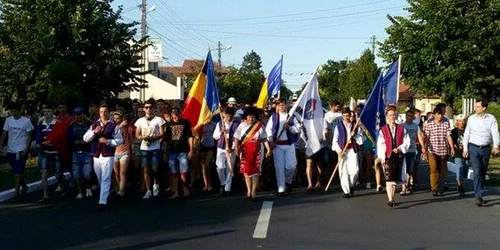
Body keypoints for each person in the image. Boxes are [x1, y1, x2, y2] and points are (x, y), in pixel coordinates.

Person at [83, 104, 123, 210]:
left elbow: (119, 140)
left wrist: (108, 141)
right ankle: (106, 192)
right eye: (101, 112)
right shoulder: (94, 125)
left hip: (108, 154)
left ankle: (102, 201)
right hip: (96, 154)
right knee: (99, 176)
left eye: (105, 111)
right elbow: (86, 138)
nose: (103, 114)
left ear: (108, 112)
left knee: (106, 177)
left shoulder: (113, 126)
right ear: (99, 113)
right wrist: (94, 132)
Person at [462, 99, 500, 206]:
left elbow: (495, 133)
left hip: (485, 148)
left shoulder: (491, 118)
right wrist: (465, 149)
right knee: (477, 171)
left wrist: (496, 145)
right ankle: (478, 196)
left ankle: (480, 191)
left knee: (483, 172)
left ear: (484, 108)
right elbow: (467, 134)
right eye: (475, 106)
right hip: (473, 147)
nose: (475, 108)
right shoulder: (471, 118)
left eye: (478, 107)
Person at [234, 107, 272, 201]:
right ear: (246, 117)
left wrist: (268, 149)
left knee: (255, 172)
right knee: (246, 172)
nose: (251, 119)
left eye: (253, 117)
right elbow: (236, 138)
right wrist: (236, 148)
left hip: (257, 151)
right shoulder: (241, 126)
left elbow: (264, 139)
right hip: (245, 151)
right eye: (249, 117)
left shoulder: (260, 126)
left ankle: (254, 192)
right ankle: (248, 191)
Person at [265, 98, 301, 196]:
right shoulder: (273, 117)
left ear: (286, 105)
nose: (281, 106)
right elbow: (268, 130)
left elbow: (297, 129)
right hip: (277, 145)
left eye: (283, 105)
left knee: (291, 166)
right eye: (279, 105)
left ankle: (288, 182)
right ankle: (281, 188)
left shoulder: (291, 117)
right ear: (277, 106)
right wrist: (271, 140)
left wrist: (289, 127)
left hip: (289, 145)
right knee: (279, 167)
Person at [377, 106, 410, 207]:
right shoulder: (383, 129)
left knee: (394, 179)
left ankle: (393, 198)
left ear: (396, 115)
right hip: (387, 156)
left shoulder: (401, 128)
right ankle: (390, 199)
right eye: (390, 115)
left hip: (399, 156)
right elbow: (381, 144)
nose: (392, 117)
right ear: (387, 116)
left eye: (393, 115)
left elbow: (407, 141)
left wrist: (400, 148)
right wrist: (382, 157)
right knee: (388, 179)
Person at [0, 105, 34, 202]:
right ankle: (24, 186)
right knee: (15, 171)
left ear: (20, 111)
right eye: (13, 111)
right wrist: (1, 145)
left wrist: (26, 149)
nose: (14, 113)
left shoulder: (26, 121)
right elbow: (4, 133)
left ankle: (16, 194)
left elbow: (30, 136)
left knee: (17, 174)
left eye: (16, 111)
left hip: (21, 149)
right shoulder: (8, 120)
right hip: (11, 150)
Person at [134, 99, 165, 199]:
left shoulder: (159, 120)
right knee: (146, 169)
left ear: (154, 108)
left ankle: (156, 183)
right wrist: (142, 138)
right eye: (146, 107)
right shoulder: (140, 121)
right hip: (144, 147)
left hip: (155, 147)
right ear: (144, 109)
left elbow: (162, 133)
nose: (149, 109)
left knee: (155, 168)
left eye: (151, 107)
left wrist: (153, 138)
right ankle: (148, 190)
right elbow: (137, 134)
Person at [332, 107, 364, 198]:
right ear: (342, 116)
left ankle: (351, 185)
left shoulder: (355, 126)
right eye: (344, 115)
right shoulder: (338, 126)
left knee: (354, 171)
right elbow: (335, 141)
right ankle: (346, 191)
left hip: (352, 150)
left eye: (347, 115)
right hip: (342, 151)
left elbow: (361, 141)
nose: (346, 117)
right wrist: (339, 151)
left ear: (350, 116)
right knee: (343, 171)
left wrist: (355, 135)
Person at [423, 108, 454, 197]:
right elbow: (427, 137)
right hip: (432, 150)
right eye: (438, 114)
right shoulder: (430, 124)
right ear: (434, 115)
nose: (440, 116)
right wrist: (424, 148)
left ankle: (440, 185)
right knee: (433, 169)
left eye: (441, 114)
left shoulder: (445, 123)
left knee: (440, 170)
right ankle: (434, 188)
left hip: (443, 150)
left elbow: (448, 136)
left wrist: (451, 148)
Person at [164, 107, 194, 199]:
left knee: (184, 171)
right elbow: (166, 140)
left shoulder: (186, 123)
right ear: (172, 115)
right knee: (174, 173)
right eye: (174, 114)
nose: (176, 116)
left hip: (183, 150)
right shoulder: (168, 125)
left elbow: (190, 136)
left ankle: (185, 187)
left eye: (178, 114)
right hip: (172, 151)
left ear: (180, 114)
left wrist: (191, 150)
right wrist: (165, 152)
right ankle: (176, 192)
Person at [36, 106, 63, 203]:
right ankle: (45, 195)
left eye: (48, 111)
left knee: (58, 172)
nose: (46, 113)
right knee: (44, 173)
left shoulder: (57, 123)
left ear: (52, 112)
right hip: (44, 152)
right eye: (45, 111)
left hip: (55, 152)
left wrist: (50, 142)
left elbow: (59, 136)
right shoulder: (41, 124)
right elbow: (38, 135)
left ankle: (61, 184)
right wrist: (39, 144)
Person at [213, 107, 239, 195]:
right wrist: (221, 131)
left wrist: (233, 147)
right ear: (224, 115)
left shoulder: (236, 124)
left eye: (230, 116)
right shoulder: (220, 123)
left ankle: (228, 188)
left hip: (231, 149)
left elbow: (237, 137)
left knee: (230, 168)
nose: (229, 118)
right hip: (221, 148)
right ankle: (222, 183)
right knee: (220, 167)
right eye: (227, 116)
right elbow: (215, 136)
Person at [68, 107, 93, 200]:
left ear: (83, 114)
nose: (78, 116)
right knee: (77, 174)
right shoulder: (72, 125)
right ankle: (80, 192)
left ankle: (88, 187)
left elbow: (93, 134)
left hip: (87, 151)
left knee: (87, 173)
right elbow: (69, 136)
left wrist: (86, 141)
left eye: (80, 114)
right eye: (76, 114)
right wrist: (74, 141)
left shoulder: (89, 124)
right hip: (76, 151)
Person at [402, 109, 424, 195]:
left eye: (411, 116)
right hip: (403, 150)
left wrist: (423, 147)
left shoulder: (416, 126)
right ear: (405, 116)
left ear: (413, 118)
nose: (410, 118)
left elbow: (419, 136)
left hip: (412, 150)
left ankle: (407, 184)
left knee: (410, 169)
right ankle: (404, 187)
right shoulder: (401, 126)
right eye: (408, 116)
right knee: (403, 169)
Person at [113, 112, 134, 200]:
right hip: (115, 152)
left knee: (122, 173)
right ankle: (118, 189)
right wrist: (120, 126)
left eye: (118, 118)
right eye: (114, 118)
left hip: (125, 152)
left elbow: (131, 140)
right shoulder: (113, 128)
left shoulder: (128, 128)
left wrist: (132, 152)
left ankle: (121, 191)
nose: (116, 120)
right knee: (116, 173)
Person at [451, 114, 468, 197]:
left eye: (463, 121)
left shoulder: (468, 130)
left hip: (467, 153)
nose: (461, 123)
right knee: (459, 169)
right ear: (457, 122)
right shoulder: (454, 131)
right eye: (460, 121)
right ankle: (460, 186)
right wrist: (454, 147)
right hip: (458, 153)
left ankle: (460, 180)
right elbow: (452, 141)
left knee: (465, 171)